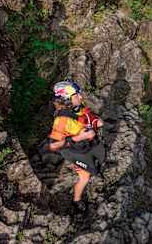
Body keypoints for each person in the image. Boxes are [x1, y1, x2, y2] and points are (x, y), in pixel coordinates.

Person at [47, 80, 105, 212]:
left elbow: (92, 118)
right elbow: (53, 146)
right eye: (77, 95)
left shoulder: (77, 108)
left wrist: (93, 120)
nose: (81, 97)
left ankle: (94, 166)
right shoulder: (61, 121)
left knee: (97, 160)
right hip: (75, 151)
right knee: (85, 177)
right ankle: (76, 200)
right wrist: (80, 137)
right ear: (67, 99)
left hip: (86, 145)